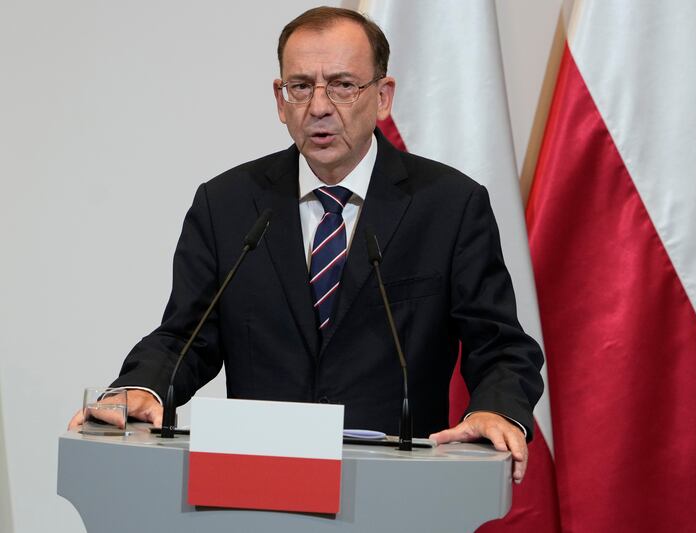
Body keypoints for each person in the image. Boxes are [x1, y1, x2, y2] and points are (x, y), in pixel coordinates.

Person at [69, 7, 543, 484]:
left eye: (342, 85)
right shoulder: (227, 204)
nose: (319, 106)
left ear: (382, 97)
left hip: (397, 487)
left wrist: (496, 409)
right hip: (257, 482)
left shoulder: (448, 206)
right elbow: (185, 336)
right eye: (300, 86)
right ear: (280, 99)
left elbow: (501, 346)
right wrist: (140, 387)